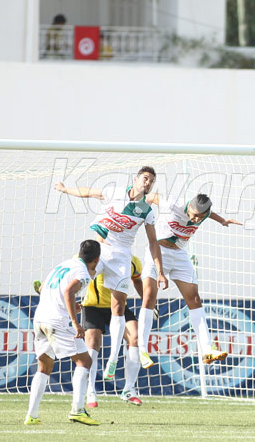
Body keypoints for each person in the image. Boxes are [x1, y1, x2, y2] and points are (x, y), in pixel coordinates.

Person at [54, 166, 167, 381]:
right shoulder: (114, 191)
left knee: (118, 307)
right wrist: (65, 189)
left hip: (122, 256)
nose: (148, 182)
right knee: (75, 281)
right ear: (135, 179)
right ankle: (58, 313)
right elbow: (89, 192)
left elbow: (153, 242)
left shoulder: (147, 211)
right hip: (101, 250)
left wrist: (160, 271)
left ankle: (113, 359)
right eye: (145, 178)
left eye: (151, 180)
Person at [137, 193, 240, 368]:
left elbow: (210, 214)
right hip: (158, 251)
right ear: (189, 206)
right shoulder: (172, 204)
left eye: (199, 217)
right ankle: (142, 350)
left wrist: (222, 220)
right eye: (193, 214)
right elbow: (151, 197)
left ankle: (207, 349)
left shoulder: (204, 214)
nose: (194, 219)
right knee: (148, 296)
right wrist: (140, 211)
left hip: (180, 255)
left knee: (194, 299)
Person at [33, 256, 146, 407]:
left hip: (118, 306)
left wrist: (148, 304)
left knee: (136, 337)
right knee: (92, 343)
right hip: (93, 306)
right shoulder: (93, 258)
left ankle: (129, 389)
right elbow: (67, 275)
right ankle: (91, 391)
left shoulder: (132, 261)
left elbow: (137, 281)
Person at [25, 240, 102, 426]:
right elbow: (69, 291)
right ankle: (77, 410)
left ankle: (31, 416)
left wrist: (70, 305)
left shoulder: (63, 264)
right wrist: (76, 323)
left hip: (40, 318)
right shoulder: (83, 273)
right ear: (97, 260)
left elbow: (42, 288)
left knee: (44, 367)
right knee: (84, 361)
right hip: (57, 320)